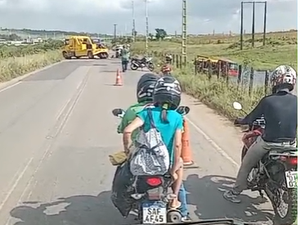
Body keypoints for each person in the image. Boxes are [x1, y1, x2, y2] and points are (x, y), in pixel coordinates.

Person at [223, 65, 297, 203]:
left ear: (275, 81)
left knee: (246, 164)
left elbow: (251, 118)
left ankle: (235, 191)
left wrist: (240, 120)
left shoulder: (268, 100)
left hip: (269, 143)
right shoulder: (297, 101)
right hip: (291, 145)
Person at [122, 76, 191, 221]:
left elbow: (127, 131)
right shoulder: (177, 117)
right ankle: (175, 202)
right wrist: (172, 169)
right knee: (180, 166)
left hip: (145, 165)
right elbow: (178, 145)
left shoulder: (146, 113)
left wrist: (128, 151)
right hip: (166, 168)